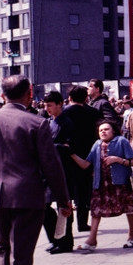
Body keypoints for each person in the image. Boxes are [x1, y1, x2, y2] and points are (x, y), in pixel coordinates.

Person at [0, 76, 73, 265]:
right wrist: (63, 199)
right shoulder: (37, 123)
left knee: (2, 248)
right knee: (21, 252)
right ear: (29, 93)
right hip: (26, 193)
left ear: (3, 95)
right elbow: (51, 166)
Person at [69, 120, 133, 251]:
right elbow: (86, 164)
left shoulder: (121, 141)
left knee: (128, 208)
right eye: (100, 130)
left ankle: (132, 235)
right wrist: (71, 154)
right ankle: (92, 240)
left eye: (106, 129)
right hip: (101, 184)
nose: (103, 131)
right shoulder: (97, 144)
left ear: (113, 130)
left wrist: (117, 160)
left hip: (120, 182)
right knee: (96, 211)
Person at [57, 84, 102, 232]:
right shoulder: (94, 113)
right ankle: (82, 223)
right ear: (86, 98)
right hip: (87, 156)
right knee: (84, 191)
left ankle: (65, 228)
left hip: (66, 155)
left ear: (69, 98)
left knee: (66, 192)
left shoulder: (63, 113)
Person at [41, 91, 75, 254]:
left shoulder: (67, 123)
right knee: (44, 206)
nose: (47, 108)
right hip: (47, 170)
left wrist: (52, 147)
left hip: (64, 170)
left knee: (64, 206)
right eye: (45, 105)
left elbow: (69, 147)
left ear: (60, 104)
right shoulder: (47, 122)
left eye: (50, 105)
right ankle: (55, 239)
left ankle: (65, 242)